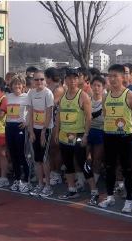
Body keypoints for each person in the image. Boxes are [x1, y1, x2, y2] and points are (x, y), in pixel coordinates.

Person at [98, 64, 132, 213]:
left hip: (125, 137)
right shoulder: (106, 95)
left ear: (123, 77)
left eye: (115, 76)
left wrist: (131, 132)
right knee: (109, 167)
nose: (112, 79)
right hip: (109, 135)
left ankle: (129, 200)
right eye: (110, 76)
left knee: (127, 169)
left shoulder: (130, 95)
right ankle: (109, 197)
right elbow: (105, 113)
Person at [54, 68, 97, 204]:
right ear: (65, 80)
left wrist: (85, 135)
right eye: (69, 78)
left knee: (82, 163)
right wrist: (56, 132)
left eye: (75, 78)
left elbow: (89, 118)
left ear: (78, 80)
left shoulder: (83, 96)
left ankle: (94, 191)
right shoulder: (63, 96)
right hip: (64, 135)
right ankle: (72, 190)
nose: (72, 81)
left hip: (78, 135)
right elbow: (59, 117)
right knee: (68, 163)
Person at [27, 70, 54, 197]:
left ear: (45, 80)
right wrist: (31, 130)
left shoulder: (48, 94)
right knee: (36, 158)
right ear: (33, 81)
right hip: (34, 129)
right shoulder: (31, 93)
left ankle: (48, 185)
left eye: (41, 79)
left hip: (46, 129)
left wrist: (43, 131)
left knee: (44, 158)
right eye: (36, 79)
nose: (39, 82)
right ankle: (40, 184)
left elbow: (49, 113)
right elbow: (30, 112)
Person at [5, 74, 31, 192]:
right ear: (11, 86)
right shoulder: (8, 96)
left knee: (22, 154)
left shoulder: (27, 97)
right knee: (13, 154)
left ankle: (26, 179)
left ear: (23, 86)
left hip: (20, 127)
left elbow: (31, 110)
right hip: (9, 127)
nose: (17, 86)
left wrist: (26, 122)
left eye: (19, 84)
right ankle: (17, 179)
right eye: (15, 84)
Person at [44, 68, 65, 186]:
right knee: (51, 149)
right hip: (48, 120)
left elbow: (51, 103)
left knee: (55, 148)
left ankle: (57, 173)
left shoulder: (59, 89)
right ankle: (52, 172)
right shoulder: (49, 88)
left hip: (56, 121)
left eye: (45, 77)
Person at [87, 75, 106, 186]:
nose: (96, 88)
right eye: (94, 85)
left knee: (97, 158)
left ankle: (95, 178)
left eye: (99, 86)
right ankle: (86, 177)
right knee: (87, 157)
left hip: (100, 131)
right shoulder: (87, 100)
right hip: (88, 131)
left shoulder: (106, 100)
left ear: (103, 87)